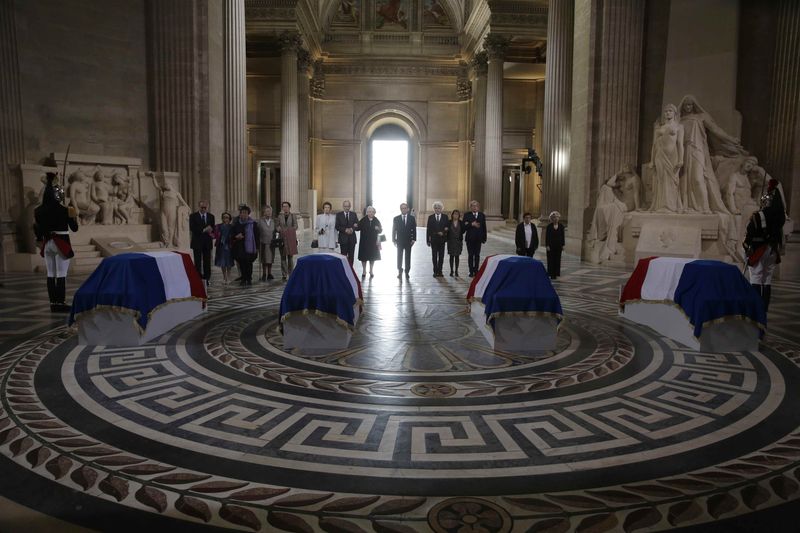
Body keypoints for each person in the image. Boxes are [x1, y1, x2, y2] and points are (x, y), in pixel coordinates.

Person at [679, 95, 742, 214]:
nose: (688, 107)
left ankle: (705, 207)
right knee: (684, 179)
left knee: (698, 178)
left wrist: (730, 139)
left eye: (691, 104)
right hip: (683, 151)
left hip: (697, 150)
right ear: (683, 106)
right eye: (686, 104)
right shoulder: (680, 120)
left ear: (694, 105)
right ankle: (686, 205)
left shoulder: (701, 117)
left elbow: (716, 130)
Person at [34, 172, 78, 312]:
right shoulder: (65, 209)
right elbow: (74, 228)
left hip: (48, 244)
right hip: (61, 243)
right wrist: (71, 213)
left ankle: (53, 303)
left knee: (50, 274)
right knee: (61, 273)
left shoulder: (38, 210)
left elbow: (38, 228)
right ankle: (61, 303)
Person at [744, 178, 786, 312]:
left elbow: (749, 235)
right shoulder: (780, 217)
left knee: (755, 278)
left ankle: (756, 310)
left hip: (759, 250)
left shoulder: (758, 216)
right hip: (772, 251)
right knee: (767, 280)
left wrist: (746, 248)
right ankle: (764, 309)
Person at [648, 104, 684, 213]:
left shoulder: (679, 127)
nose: (668, 113)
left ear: (674, 113)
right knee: (661, 179)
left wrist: (681, 159)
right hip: (659, 156)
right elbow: (654, 145)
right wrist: (651, 160)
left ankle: (672, 206)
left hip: (673, 157)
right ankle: (661, 206)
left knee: (672, 181)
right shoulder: (659, 128)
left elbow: (680, 144)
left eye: (670, 111)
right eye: (666, 111)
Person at [150, 172, 189, 248]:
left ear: (170, 184)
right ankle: (166, 241)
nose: (165, 186)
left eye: (166, 184)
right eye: (164, 185)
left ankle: (170, 242)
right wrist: (153, 177)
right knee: (164, 228)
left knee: (171, 227)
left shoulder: (176, 193)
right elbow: (156, 186)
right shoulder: (163, 192)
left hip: (172, 211)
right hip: (163, 212)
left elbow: (184, 202)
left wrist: (188, 208)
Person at [231, 205, 259, 286]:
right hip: (239, 247)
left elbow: (257, 236)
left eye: (245, 213)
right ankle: (243, 278)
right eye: (242, 213)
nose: (244, 214)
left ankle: (249, 278)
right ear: (240, 214)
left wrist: (257, 247)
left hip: (250, 247)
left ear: (248, 214)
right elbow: (232, 234)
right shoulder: (236, 224)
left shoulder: (253, 224)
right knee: (242, 263)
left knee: (249, 263)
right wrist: (236, 236)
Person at [189, 200, 215, 286]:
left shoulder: (211, 216)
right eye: (202, 207)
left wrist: (211, 231)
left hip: (207, 242)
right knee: (197, 262)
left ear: (208, 207)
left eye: (205, 208)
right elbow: (192, 228)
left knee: (207, 261)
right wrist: (204, 230)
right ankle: (198, 278)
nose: (203, 209)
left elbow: (213, 228)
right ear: (199, 207)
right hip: (197, 242)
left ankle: (207, 278)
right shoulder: (193, 216)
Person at [392, 203, 416, 280]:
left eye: (405, 208)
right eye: (402, 208)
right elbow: (394, 230)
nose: (404, 209)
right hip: (399, 241)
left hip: (409, 241)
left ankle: (407, 271)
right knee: (399, 256)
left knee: (408, 256)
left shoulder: (412, 218)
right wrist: (393, 240)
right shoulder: (396, 218)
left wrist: (414, 239)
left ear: (408, 209)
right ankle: (399, 270)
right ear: (400, 209)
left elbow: (414, 229)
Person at [462, 200, 486, 277]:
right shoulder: (467, 215)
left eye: (476, 206)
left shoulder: (482, 215)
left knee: (477, 255)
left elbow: (484, 227)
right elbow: (464, 227)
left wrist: (484, 238)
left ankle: (476, 270)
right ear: (471, 207)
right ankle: (471, 271)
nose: (475, 207)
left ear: (478, 207)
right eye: (473, 206)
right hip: (470, 239)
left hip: (478, 238)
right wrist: (471, 224)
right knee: (470, 255)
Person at [357, 206, 382, 278]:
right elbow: (358, 228)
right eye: (369, 212)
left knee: (372, 257)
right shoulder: (363, 220)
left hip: (373, 242)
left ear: (374, 213)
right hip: (364, 241)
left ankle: (371, 270)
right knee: (363, 257)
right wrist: (355, 226)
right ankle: (364, 270)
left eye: (372, 212)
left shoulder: (376, 220)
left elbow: (381, 230)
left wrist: (378, 229)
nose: (370, 213)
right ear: (367, 212)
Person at [276, 201, 299, 280]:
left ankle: (291, 273)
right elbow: (277, 226)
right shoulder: (280, 216)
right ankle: (284, 274)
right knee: (283, 257)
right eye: (283, 206)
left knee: (290, 257)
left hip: (290, 238)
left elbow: (296, 226)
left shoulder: (293, 216)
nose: (285, 208)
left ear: (289, 208)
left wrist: (289, 230)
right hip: (282, 238)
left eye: (286, 206)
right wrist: (279, 229)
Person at [426, 201, 449, 278]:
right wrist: (428, 240)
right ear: (434, 209)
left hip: (442, 240)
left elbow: (447, 228)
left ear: (441, 209)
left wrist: (443, 232)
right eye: (435, 208)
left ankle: (440, 271)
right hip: (433, 240)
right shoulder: (430, 217)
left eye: (439, 208)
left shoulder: (445, 217)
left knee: (441, 256)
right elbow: (428, 230)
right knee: (434, 256)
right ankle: (435, 271)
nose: (437, 209)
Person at [335, 200, 359, 265]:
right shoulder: (338, 215)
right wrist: (345, 230)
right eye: (345, 206)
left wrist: (352, 229)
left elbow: (357, 225)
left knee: (351, 256)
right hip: (343, 239)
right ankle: (344, 271)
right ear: (343, 206)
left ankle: (351, 272)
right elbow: (337, 226)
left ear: (350, 206)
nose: (347, 208)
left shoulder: (354, 214)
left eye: (348, 206)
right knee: (343, 256)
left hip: (352, 239)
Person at [213, 212, 234, 285]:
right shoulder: (218, 226)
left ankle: (228, 276)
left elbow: (234, 236)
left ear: (229, 219)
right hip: (221, 246)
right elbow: (214, 235)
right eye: (224, 217)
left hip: (229, 246)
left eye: (227, 217)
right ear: (222, 218)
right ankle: (224, 277)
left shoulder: (232, 227)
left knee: (229, 262)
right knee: (222, 262)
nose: (225, 219)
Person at [257, 205, 276, 281]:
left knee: (270, 259)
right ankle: (264, 273)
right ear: (264, 212)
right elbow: (257, 232)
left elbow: (276, 230)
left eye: (270, 211)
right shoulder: (260, 221)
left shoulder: (273, 221)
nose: (269, 213)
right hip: (263, 242)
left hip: (271, 243)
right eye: (267, 211)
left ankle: (269, 273)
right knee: (264, 259)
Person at [544, 211, 565, 279]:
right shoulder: (549, 226)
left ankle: (556, 273)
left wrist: (563, 245)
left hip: (558, 246)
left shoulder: (561, 226)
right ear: (552, 218)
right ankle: (551, 273)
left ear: (559, 218)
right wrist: (547, 245)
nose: (556, 218)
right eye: (554, 217)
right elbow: (547, 237)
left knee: (557, 259)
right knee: (551, 259)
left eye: (557, 217)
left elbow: (562, 236)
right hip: (550, 246)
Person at [446, 209, 464, 277]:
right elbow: (446, 230)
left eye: (457, 214)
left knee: (457, 257)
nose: (455, 215)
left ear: (459, 215)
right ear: (452, 215)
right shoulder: (449, 222)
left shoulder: (461, 222)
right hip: (451, 241)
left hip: (458, 242)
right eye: (454, 214)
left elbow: (463, 230)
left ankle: (456, 270)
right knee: (451, 256)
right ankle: (451, 271)